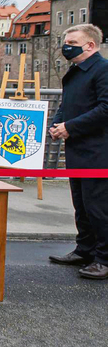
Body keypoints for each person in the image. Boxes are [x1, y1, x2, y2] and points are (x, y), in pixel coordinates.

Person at [47, 24, 108, 280]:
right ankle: (85, 249)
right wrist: (57, 123)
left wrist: (70, 127)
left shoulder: (102, 70)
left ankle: (104, 259)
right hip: (77, 150)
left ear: (90, 45)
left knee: (99, 207)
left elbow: (106, 108)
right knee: (81, 205)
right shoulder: (76, 71)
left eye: (72, 41)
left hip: (98, 151)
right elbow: (67, 104)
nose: (66, 46)